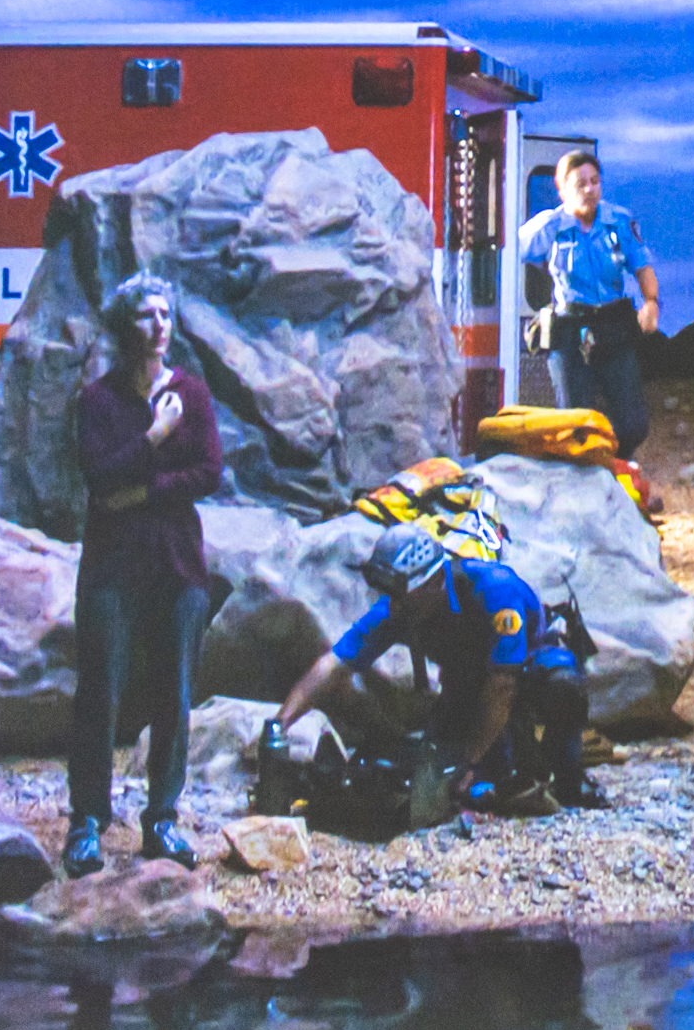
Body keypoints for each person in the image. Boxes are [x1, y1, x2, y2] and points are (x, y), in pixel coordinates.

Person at [63, 273, 226, 877]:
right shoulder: (98, 400)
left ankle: (161, 818)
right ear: (122, 325)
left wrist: (145, 490)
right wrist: (154, 436)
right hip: (112, 566)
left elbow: (209, 472)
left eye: (165, 313)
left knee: (174, 693)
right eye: (145, 314)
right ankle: (87, 820)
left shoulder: (192, 393)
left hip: (177, 563)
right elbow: (100, 478)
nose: (159, 325)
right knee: (99, 691)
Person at [267, 523, 601, 815]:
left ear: (435, 581)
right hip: (467, 688)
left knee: (562, 686)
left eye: (402, 595)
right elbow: (334, 664)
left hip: (524, 673)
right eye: (390, 595)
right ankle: (502, 770)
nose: (394, 605)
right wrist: (279, 725)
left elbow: (503, 686)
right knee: (442, 785)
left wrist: (469, 762)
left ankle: (568, 779)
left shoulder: (496, 590)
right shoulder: (402, 607)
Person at [515, 149, 657, 459]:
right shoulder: (549, 226)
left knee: (633, 424)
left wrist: (651, 302)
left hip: (612, 324)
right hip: (570, 327)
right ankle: (582, 476)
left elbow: (642, 266)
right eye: (580, 183)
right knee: (573, 424)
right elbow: (506, 249)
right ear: (562, 189)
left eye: (595, 181)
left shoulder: (619, 221)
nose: (590, 189)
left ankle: (616, 465)